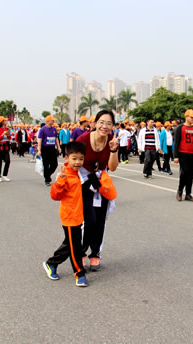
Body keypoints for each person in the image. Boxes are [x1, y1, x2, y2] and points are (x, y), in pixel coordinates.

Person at [76, 110, 119, 272]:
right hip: (83, 180)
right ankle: (81, 252)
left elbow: (112, 167)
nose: (104, 126)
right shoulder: (83, 139)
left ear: (112, 126)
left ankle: (95, 253)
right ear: (94, 123)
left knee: (100, 220)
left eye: (108, 123)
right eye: (101, 122)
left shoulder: (112, 141)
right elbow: (73, 161)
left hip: (101, 181)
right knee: (88, 220)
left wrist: (113, 150)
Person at [43, 141, 89, 287]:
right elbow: (54, 195)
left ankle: (51, 263)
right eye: (74, 158)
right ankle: (79, 273)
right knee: (75, 248)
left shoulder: (76, 173)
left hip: (78, 216)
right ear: (66, 158)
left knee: (70, 244)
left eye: (81, 159)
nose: (78, 162)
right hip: (69, 217)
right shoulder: (65, 175)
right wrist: (61, 180)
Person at [173, 109, 193, 202]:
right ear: (186, 117)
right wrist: (176, 156)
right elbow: (176, 143)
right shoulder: (180, 128)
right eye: (191, 117)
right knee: (184, 173)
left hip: (192, 154)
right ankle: (180, 191)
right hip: (183, 154)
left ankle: (188, 194)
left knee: (191, 174)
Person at [38, 115, 61, 186]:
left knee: (55, 164)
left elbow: (56, 139)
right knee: (46, 164)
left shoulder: (54, 129)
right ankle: (47, 179)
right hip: (45, 148)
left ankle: (47, 175)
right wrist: (39, 150)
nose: (53, 121)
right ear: (48, 121)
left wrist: (58, 147)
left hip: (52, 148)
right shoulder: (42, 129)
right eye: (52, 120)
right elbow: (40, 140)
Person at [0, 116, 12, 182]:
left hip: (6, 147)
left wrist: (8, 133)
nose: (6, 121)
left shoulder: (6, 128)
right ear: (2, 122)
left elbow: (9, 138)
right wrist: (2, 135)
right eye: (4, 120)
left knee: (8, 161)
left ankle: (5, 175)